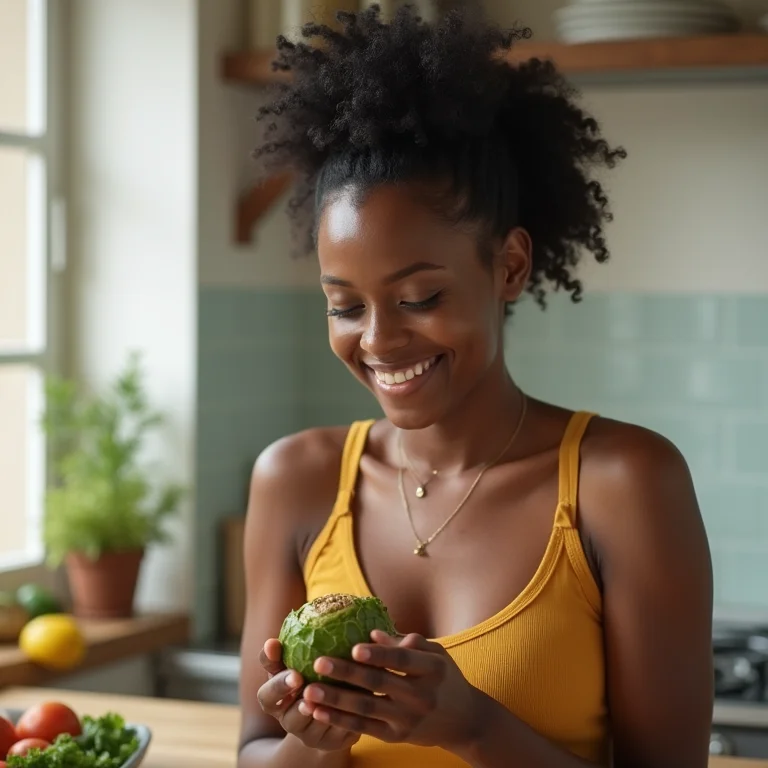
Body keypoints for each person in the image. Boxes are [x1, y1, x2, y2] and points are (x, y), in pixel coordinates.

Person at [237, 5, 714, 768]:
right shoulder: (294, 481)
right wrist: (313, 743)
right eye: (344, 305)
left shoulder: (624, 484)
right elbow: (257, 754)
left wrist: (472, 727)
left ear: (510, 267)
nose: (379, 340)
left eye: (420, 298)